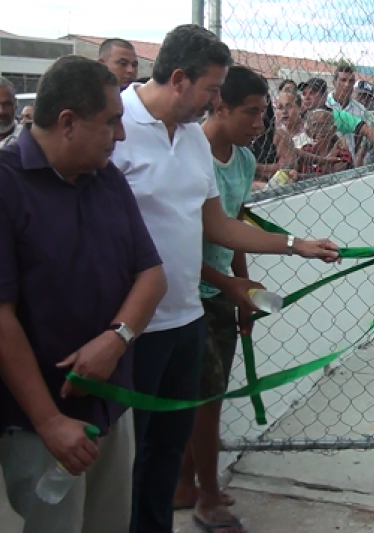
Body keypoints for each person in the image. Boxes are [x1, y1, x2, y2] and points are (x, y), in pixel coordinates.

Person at [109, 24, 340, 533]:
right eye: (213, 90)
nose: (217, 102)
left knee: (165, 456)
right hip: (132, 329)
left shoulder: (191, 138)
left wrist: (294, 245)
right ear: (178, 79)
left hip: (186, 321)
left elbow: (217, 224)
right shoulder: (115, 126)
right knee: (124, 464)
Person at [0, 55, 167, 533]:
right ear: (68, 122)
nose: (121, 135)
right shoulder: (7, 185)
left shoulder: (106, 178)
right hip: (40, 425)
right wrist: (48, 421)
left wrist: (116, 339)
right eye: (111, 122)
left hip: (110, 405)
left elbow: (152, 274)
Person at [172, 65, 273, 532]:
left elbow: (233, 229)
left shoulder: (244, 161)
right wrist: (228, 286)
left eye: (263, 113)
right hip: (186, 294)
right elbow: (178, 243)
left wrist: (242, 288)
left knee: (206, 395)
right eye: (250, 113)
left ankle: (184, 484)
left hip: (220, 293)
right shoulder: (191, 156)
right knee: (206, 401)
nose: (259, 124)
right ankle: (208, 497)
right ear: (220, 106)